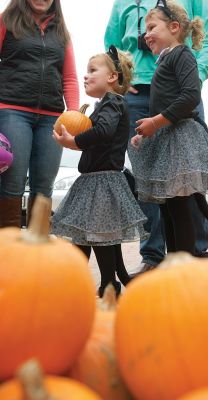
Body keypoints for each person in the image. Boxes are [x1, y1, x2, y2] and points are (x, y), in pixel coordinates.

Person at [104, 0, 208, 273]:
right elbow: (111, 43)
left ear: (174, 27)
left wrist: (193, 75)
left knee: (185, 185)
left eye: (152, 27)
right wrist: (122, 78)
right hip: (139, 95)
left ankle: (193, 258)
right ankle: (155, 259)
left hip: (180, 100)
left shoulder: (182, 47)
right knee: (153, 185)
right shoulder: (123, 4)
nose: (146, 33)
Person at [51, 46, 147, 297]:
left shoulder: (113, 102)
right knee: (90, 235)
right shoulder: (104, 104)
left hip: (103, 181)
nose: (85, 76)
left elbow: (103, 131)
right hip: (95, 179)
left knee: (98, 236)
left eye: (92, 70)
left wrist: (74, 142)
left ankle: (104, 283)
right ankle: (99, 281)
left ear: (112, 77)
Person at [0, 0, 79, 228]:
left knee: (44, 187)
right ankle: (8, 252)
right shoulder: (7, 21)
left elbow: (70, 79)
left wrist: (73, 114)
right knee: (12, 184)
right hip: (12, 112)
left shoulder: (62, 32)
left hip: (52, 118)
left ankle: (38, 254)